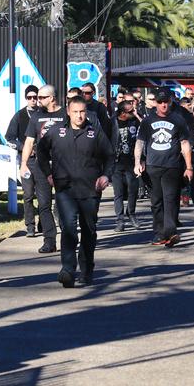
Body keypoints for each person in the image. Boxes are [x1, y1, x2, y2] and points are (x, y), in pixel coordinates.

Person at [37, 96, 114, 288]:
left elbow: (110, 155)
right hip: (65, 189)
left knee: (88, 230)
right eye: (75, 112)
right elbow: (41, 151)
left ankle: (87, 269)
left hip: (90, 189)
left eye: (82, 112)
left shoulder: (94, 132)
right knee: (69, 228)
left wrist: (105, 175)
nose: (79, 116)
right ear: (68, 112)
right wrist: (48, 174)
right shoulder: (56, 132)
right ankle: (68, 270)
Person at [135, 88, 193, 247]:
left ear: (170, 102)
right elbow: (140, 142)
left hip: (172, 166)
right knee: (156, 201)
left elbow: (185, 143)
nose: (163, 105)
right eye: (160, 102)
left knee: (170, 199)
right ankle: (160, 233)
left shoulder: (178, 120)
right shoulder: (147, 121)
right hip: (153, 166)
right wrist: (137, 162)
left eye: (165, 102)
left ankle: (171, 232)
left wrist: (189, 167)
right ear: (155, 103)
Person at [19, 84, 61, 252]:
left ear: (51, 98)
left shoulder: (65, 114)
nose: (38, 100)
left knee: (65, 203)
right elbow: (29, 141)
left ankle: (69, 236)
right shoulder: (36, 117)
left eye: (42, 97)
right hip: (41, 166)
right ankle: (49, 241)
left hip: (63, 166)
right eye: (37, 97)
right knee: (44, 205)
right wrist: (23, 164)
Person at [5, 85, 40, 237]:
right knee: (28, 194)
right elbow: (9, 138)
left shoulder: (44, 114)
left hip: (43, 161)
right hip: (26, 161)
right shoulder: (19, 115)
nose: (32, 100)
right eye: (29, 97)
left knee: (44, 195)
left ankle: (43, 223)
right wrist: (24, 147)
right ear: (26, 98)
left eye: (35, 97)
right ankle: (30, 226)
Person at [111, 100, 141, 232]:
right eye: (131, 111)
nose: (134, 113)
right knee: (118, 193)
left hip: (131, 162)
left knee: (132, 190)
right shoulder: (112, 122)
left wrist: (141, 160)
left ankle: (131, 213)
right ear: (123, 113)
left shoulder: (135, 121)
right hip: (116, 162)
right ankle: (120, 220)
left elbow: (145, 128)